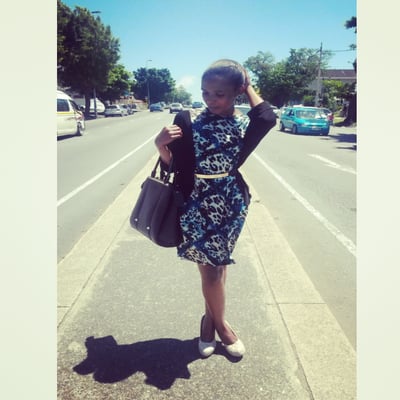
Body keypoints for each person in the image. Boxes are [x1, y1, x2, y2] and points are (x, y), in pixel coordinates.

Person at [155, 59, 276, 358]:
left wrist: (249, 86)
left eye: (219, 93)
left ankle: (208, 320)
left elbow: (267, 116)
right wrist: (161, 146)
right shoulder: (188, 120)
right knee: (210, 272)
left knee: (218, 264)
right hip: (195, 202)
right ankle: (223, 327)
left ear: (237, 92)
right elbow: (175, 167)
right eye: (205, 92)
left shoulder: (245, 124)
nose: (210, 99)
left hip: (231, 203)